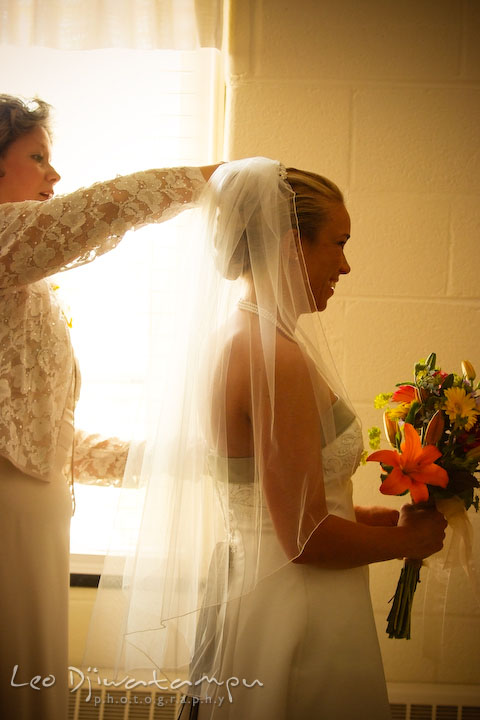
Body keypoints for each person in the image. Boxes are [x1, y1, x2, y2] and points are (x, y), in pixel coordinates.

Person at [87, 158, 447, 719]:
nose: (346, 266)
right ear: (289, 244)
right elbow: (306, 541)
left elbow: (271, 499)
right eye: (338, 242)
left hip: (261, 584)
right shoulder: (272, 356)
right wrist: (411, 543)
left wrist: (374, 519)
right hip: (297, 606)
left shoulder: (243, 338)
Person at [0, 93, 221, 720]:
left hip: (36, 515)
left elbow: (38, 435)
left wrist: (165, 459)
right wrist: (203, 181)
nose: (54, 174)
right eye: (36, 156)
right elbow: (97, 211)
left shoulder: (23, 277)